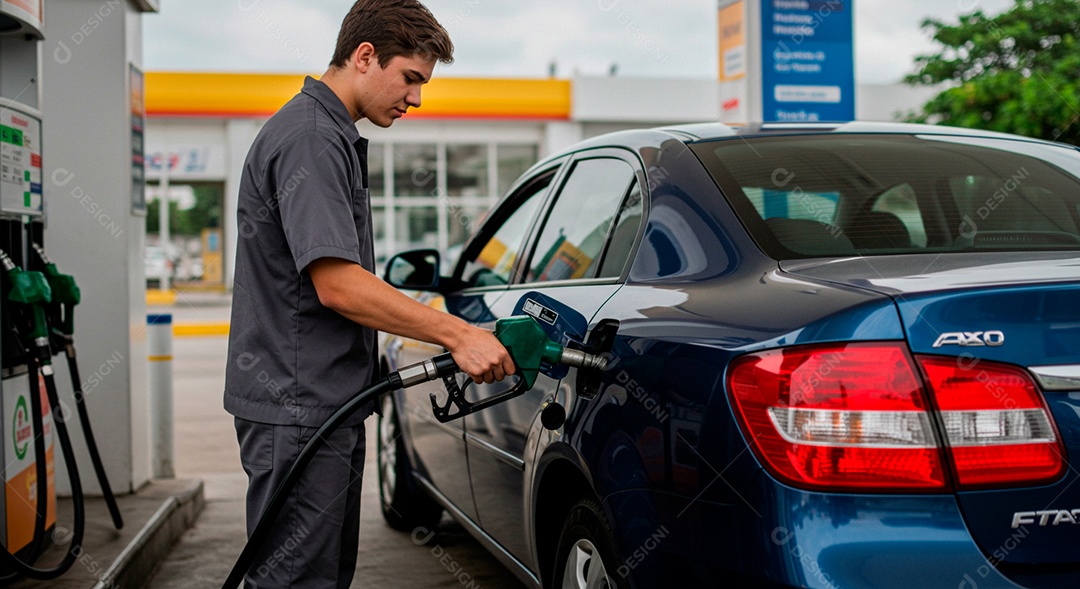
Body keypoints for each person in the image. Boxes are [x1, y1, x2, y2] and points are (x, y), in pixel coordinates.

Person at [223, 2, 514, 587]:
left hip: (319, 403)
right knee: (298, 580)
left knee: (319, 574)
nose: (416, 99)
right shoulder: (311, 139)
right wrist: (459, 333)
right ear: (363, 57)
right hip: (300, 404)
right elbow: (338, 285)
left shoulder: (325, 133)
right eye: (411, 78)